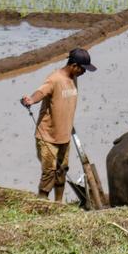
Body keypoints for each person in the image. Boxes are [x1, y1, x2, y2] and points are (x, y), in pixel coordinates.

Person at [20, 48, 97, 201]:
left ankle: (58, 203)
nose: (84, 72)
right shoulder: (55, 79)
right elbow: (41, 92)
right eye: (83, 69)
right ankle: (42, 202)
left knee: (62, 171)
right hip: (48, 136)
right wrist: (31, 100)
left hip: (65, 136)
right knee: (49, 172)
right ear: (74, 65)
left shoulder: (73, 77)